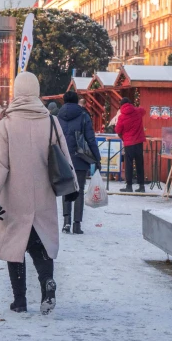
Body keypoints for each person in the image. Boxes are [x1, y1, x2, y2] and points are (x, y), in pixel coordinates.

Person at [0, 72, 74, 315]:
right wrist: (72, 188)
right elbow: (65, 158)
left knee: (15, 246)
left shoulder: (6, 123)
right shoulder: (51, 121)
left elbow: (1, 164)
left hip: (14, 195)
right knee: (40, 242)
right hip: (44, 193)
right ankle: (47, 282)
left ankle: (20, 300)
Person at [57, 91, 101, 234]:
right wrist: (97, 158)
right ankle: (77, 224)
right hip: (80, 158)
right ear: (77, 101)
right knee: (79, 190)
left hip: (63, 158)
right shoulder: (83, 116)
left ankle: (66, 222)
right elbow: (90, 139)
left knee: (66, 189)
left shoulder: (58, 117)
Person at [114, 97, 147, 192]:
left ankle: (129, 186)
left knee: (128, 164)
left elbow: (117, 130)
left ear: (121, 106)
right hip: (139, 142)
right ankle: (141, 186)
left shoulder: (121, 116)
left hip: (129, 143)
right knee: (139, 164)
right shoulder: (137, 111)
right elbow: (144, 110)